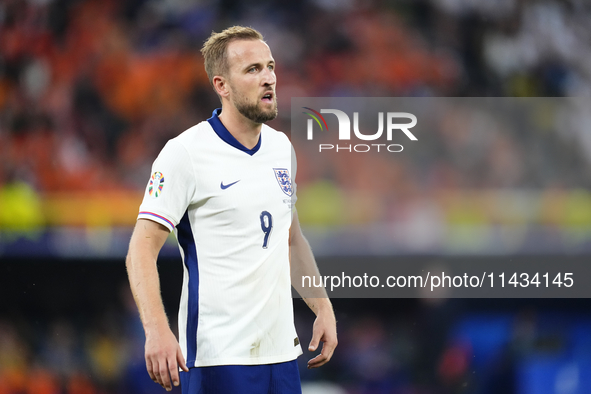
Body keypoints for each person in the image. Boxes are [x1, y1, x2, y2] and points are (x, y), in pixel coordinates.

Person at [125, 26, 337, 394]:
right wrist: (157, 330)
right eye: (253, 69)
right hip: (218, 358)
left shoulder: (281, 148)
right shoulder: (185, 153)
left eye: (270, 66)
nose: (268, 78)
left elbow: (291, 240)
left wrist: (322, 307)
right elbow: (140, 250)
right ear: (222, 85)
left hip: (281, 355)